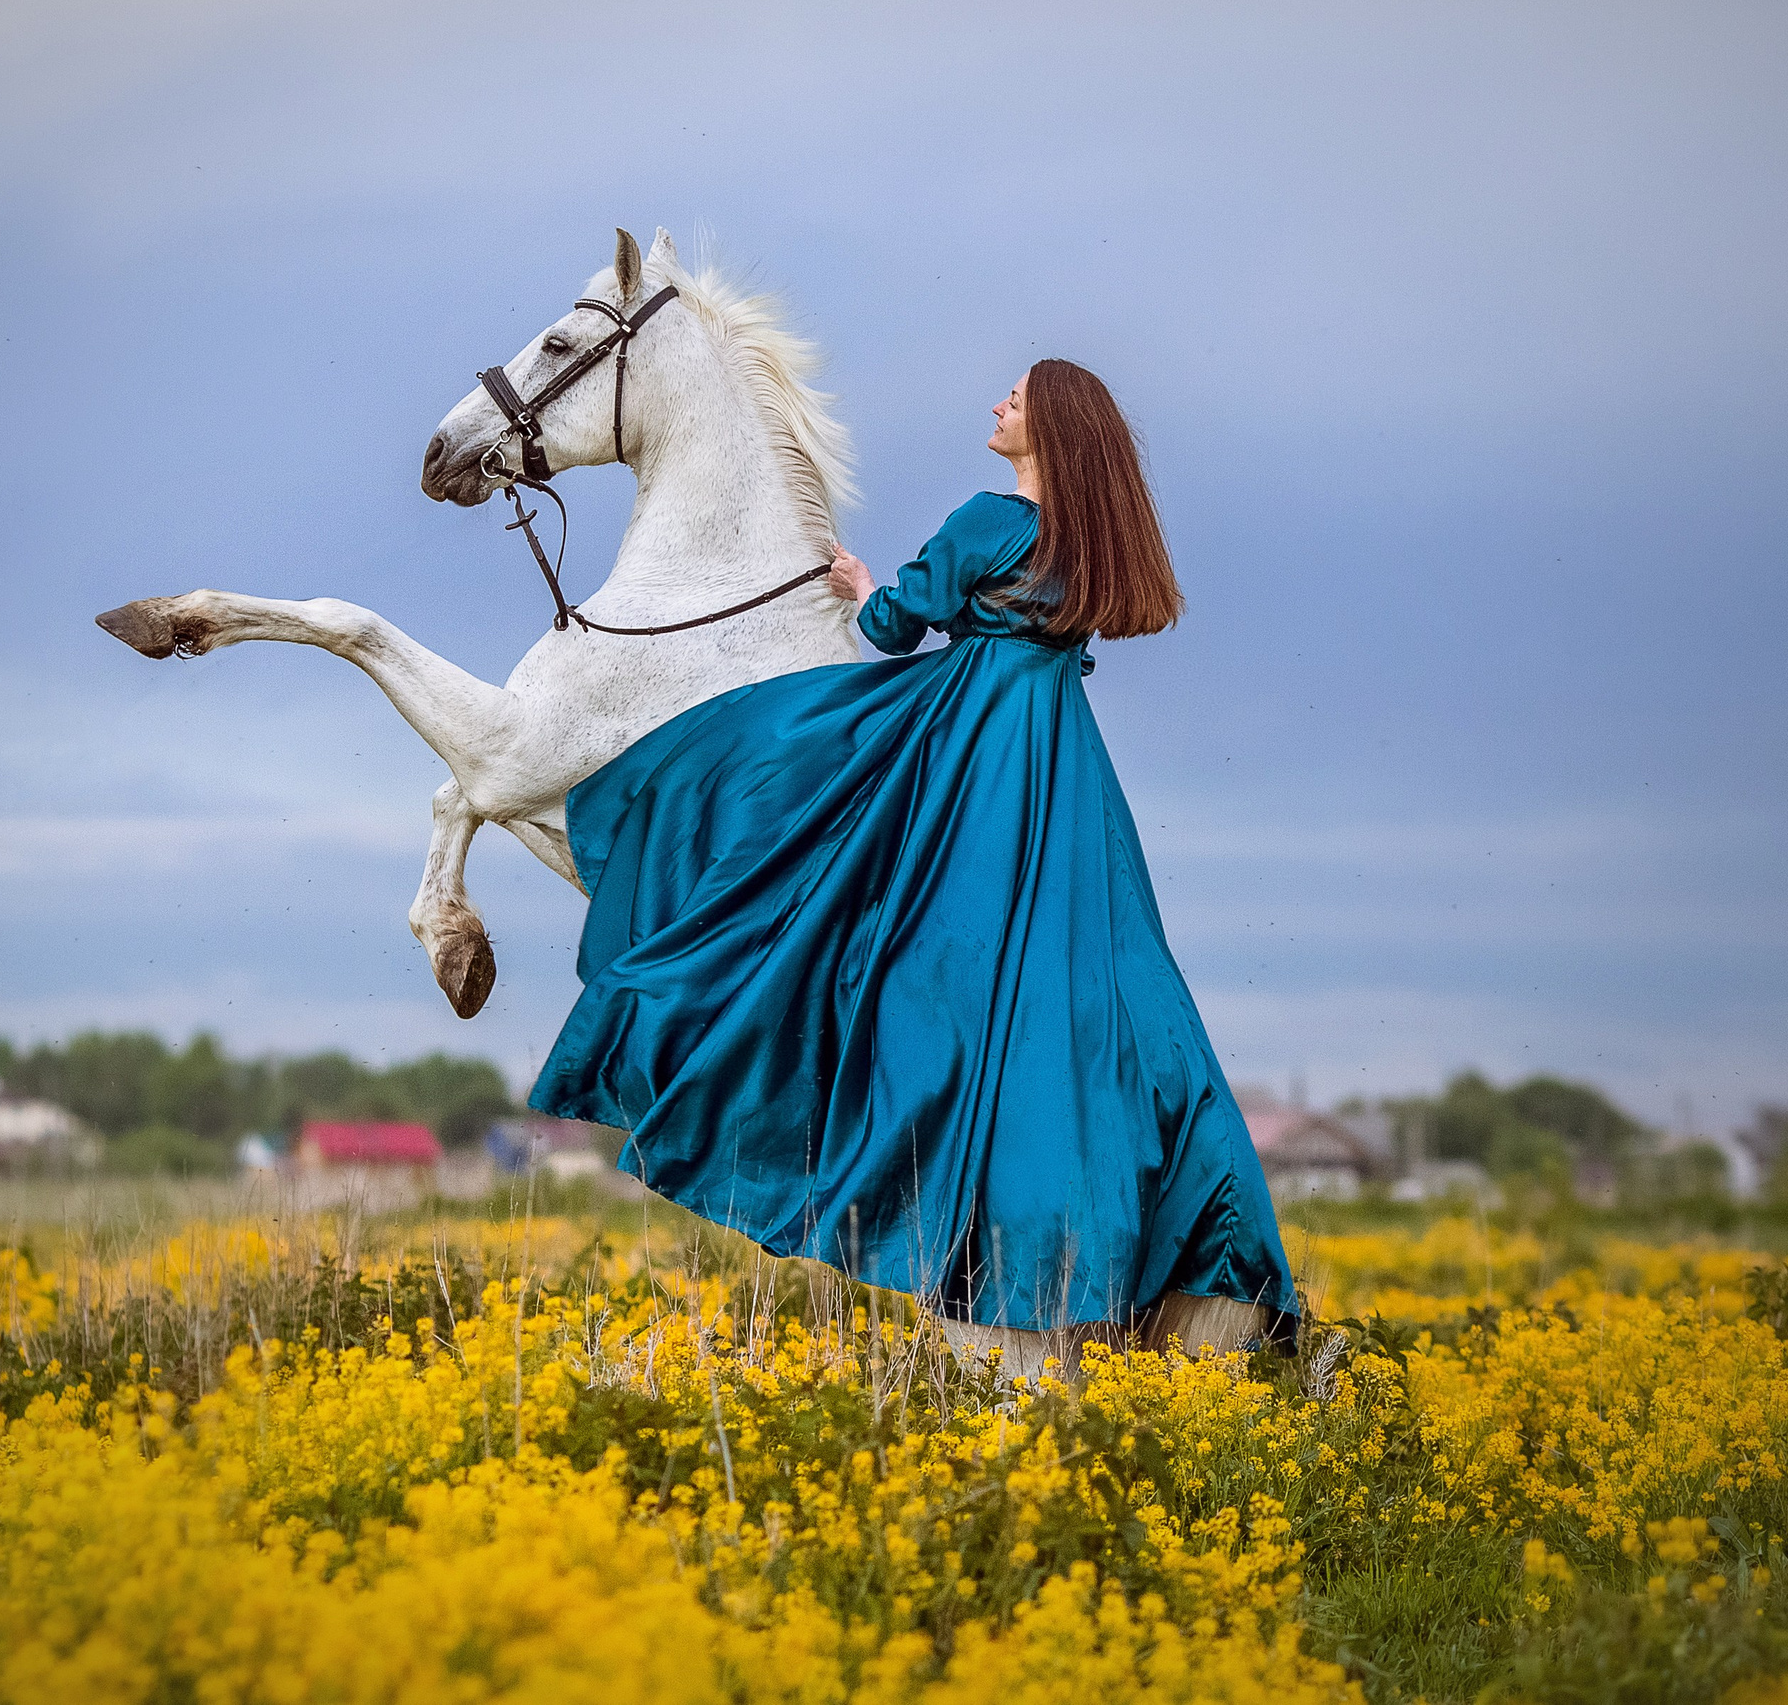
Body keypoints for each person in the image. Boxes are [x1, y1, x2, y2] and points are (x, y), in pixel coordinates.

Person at [529, 358, 1296, 1361]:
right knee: (1086, 981)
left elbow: (892, 629)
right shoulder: (1094, 544)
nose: (996, 404)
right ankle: (1170, 1249)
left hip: (969, 745)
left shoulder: (987, 519)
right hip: (1058, 759)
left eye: (1014, 398)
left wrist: (863, 586)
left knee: (818, 854)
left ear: (1049, 427)